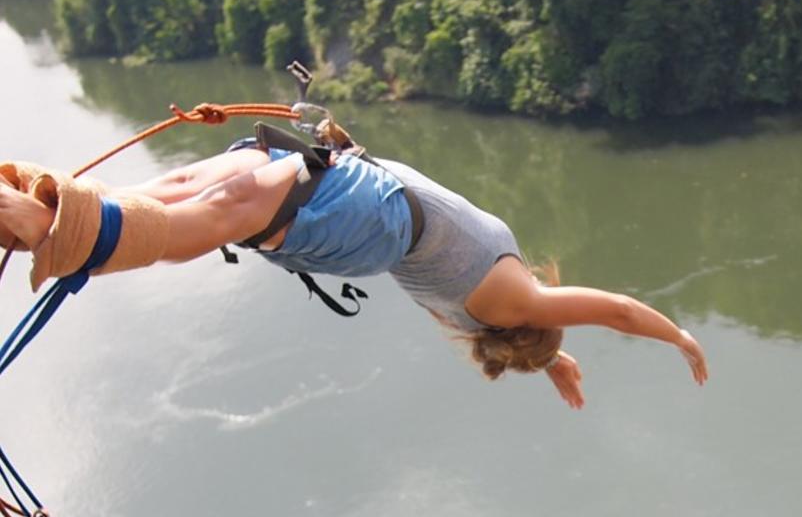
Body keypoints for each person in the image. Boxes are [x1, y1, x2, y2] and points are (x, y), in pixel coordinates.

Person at [0, 141, 708, 410]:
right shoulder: (487, 316)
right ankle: (58, 208)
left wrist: (677, 336)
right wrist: (554, 364)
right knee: (191, 194)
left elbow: (615, 309)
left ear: (532, 323)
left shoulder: (517, 297)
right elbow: (534, 339)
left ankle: (44, 226)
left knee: (212, 213)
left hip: (367, 214)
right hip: (350, 185)